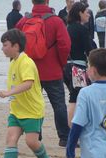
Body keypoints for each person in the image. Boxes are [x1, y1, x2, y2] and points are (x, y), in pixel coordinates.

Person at [0, 29, 57, 158]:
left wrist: (8, 93)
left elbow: (28, 83)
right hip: (16, 111)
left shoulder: (26, 62)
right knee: (10, 140)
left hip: (32, 110)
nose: (2, 48)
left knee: (31, 142)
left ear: (16, 46)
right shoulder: (13, 62)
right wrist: (10, 95)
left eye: (5, 45)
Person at [16, 0, 71, 148]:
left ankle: (35, 135)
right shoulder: (56, 21)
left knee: (33, 105)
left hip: (29, 72)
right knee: (58, 104)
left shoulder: (24, 20)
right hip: (52, 70)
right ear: (47, 1)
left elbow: (15, 43)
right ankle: (64, 138)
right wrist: (61, 62)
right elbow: (64, 44)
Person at [64, 2, 94, 126]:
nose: (89, 15)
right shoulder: (81, 29)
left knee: (75, 96)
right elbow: (89, 50)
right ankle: (72, 129)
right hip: (77, 67)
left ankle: (74, 127)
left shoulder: (67, 28)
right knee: (75, 98)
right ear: (79, 13)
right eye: (86, 12)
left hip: (66, 66)